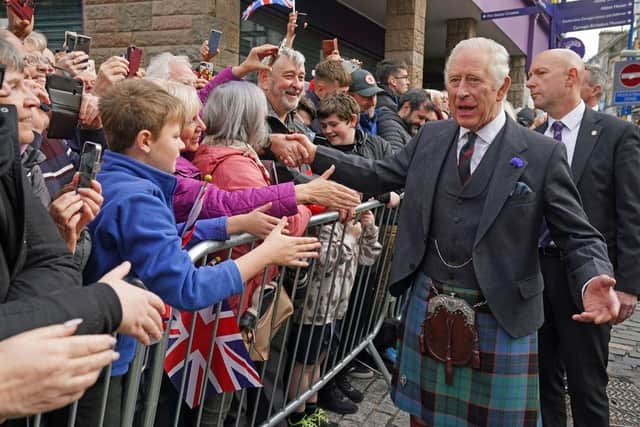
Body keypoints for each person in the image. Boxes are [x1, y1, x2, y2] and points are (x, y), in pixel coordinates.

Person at [287, 37, 620, 426]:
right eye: (454, 80)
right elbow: (380, 176)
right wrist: (315, 153)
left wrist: (594, 276)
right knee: (423, 419)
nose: (461, 91)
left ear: (500, 86)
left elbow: (578, 233)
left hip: (501, 312)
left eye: (474, 80)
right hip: (428, 300)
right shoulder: (431, 137)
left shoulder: (541, 153)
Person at [76, 79, 320, 427]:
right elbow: (188, 286)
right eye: (175, 136)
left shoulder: (118, 179)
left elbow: (162, 240)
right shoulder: (139, 197)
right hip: (104, 359)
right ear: (145, 141)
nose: (182, 147)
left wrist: (229, 226)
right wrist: (266, 255)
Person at [527, 48, 640, 427]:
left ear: (571, 77)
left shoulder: (617, 135)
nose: (530, 81)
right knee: (542, 381)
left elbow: (632, 214)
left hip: (588, 279)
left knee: (587, 384)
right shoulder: (533, 138)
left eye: (540, 73)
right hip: (536, 279)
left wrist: (628, 286)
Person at [287, 208, 381, 427]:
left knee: (319, 358)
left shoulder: (352, 223)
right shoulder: (326, 222)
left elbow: (368, 257)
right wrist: (349, 238)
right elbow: (325, 263)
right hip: (315, 309)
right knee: (305, 363)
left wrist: (369, 229)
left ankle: (311, 408)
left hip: (337, 306)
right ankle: (297, 416)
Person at [347, 68, 383, 136]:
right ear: (349, 96)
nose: (372, 103)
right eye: (367, 96)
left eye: (374, 95)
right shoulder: (342, 125)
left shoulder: (382, 118)